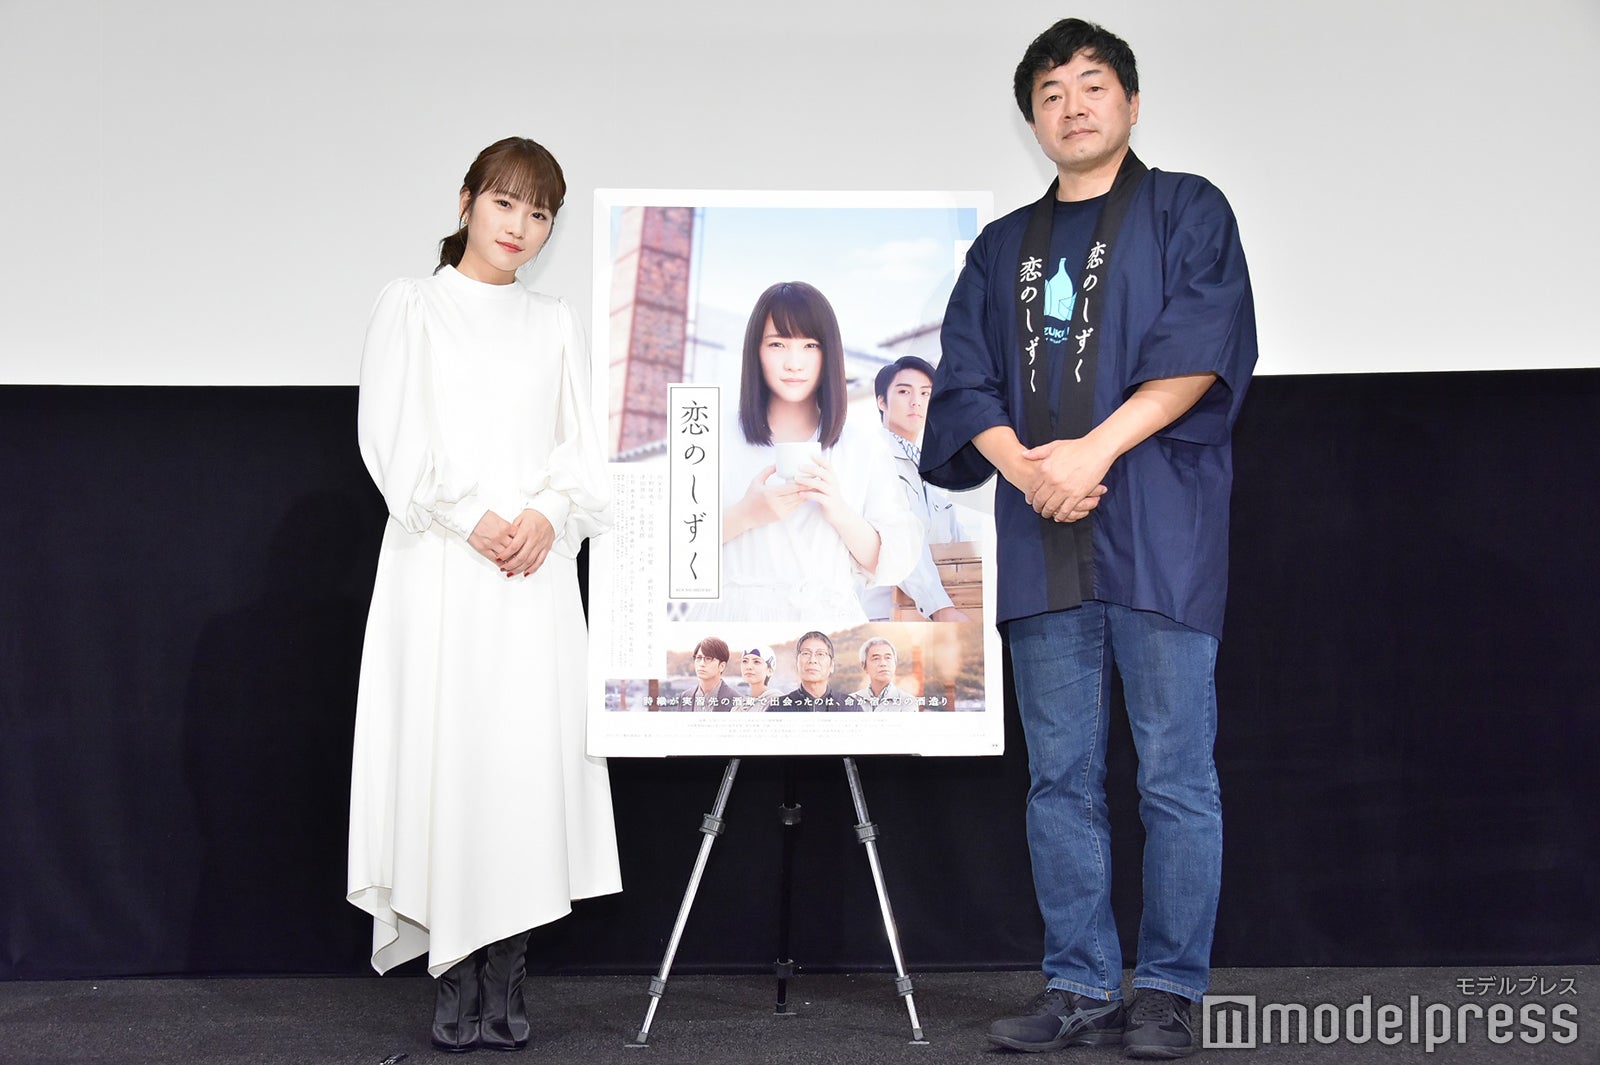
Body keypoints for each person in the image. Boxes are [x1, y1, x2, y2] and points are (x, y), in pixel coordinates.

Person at [921, 19, 1257, 1059]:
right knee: (1058, 779)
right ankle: (1078, 983)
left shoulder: (1187, 209)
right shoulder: (999, 248)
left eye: (1093, 85)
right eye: (1051, 93)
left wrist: (1090, 454)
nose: (1072, 105)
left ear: (1132, 102)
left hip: (1161, 536)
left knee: (1174, 777)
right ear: (1032, 119)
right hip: (1042, 543)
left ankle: (1168, 990)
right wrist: (1031, 471)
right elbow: (965, 382)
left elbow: (1199, 351)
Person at [346, 137, 621, 1054]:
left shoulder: (554, 322)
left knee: (521, 764)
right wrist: (472, 519)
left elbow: (580, 451)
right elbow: (392, 438)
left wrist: (547, 515)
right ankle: (453, 971)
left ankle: (508, 968)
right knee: (445, 755)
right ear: (466, 201)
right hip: (441, 568)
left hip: (530, 576)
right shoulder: (412, 305)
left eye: (540, 213)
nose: (521, 226)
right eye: (506, 203)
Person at [683, 282, 920, 628]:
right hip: (734, 621)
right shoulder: (711, 435)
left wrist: (838, 510)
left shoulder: (861, 445)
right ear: (755, 351)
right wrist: (746, 515)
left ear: (828, 354)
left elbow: (892, 562)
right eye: (777, 344)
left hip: (829, 625)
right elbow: (675, 545)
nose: (794, 363)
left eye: (810, 345)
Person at [859, 356, 972, 623]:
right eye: (904, 392)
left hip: (934, 616)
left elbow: (958, 542)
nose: (916, 402)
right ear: (881, 401)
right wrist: (941, 608)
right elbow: (900, 542)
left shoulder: (930, 466)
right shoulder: (871, 458)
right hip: (887, 616)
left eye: (925, 393)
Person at [771, 631, 861, 711]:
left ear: (831, 665)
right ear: (797, 663)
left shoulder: (851, 707)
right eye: (806, 653)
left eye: (820, 654)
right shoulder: (778, 708)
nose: (812, 660)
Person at [847, 636, 919, 711]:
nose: (883, 663)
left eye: (888, 658)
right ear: (864, 666)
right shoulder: (851, 701)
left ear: (895, 663)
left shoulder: (907, 702)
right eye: (876, 658)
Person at [676, 636, 741, 710]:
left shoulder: (737, 702)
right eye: (699, 658)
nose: (701, 664)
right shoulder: (685, 697)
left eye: (708, 658)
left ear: (722, 666)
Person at [734, 644, 784, 712]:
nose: (749, 667)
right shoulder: (739, 706)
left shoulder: (777, 703)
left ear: (770, 671)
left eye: (756, 662)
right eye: (745, 661)